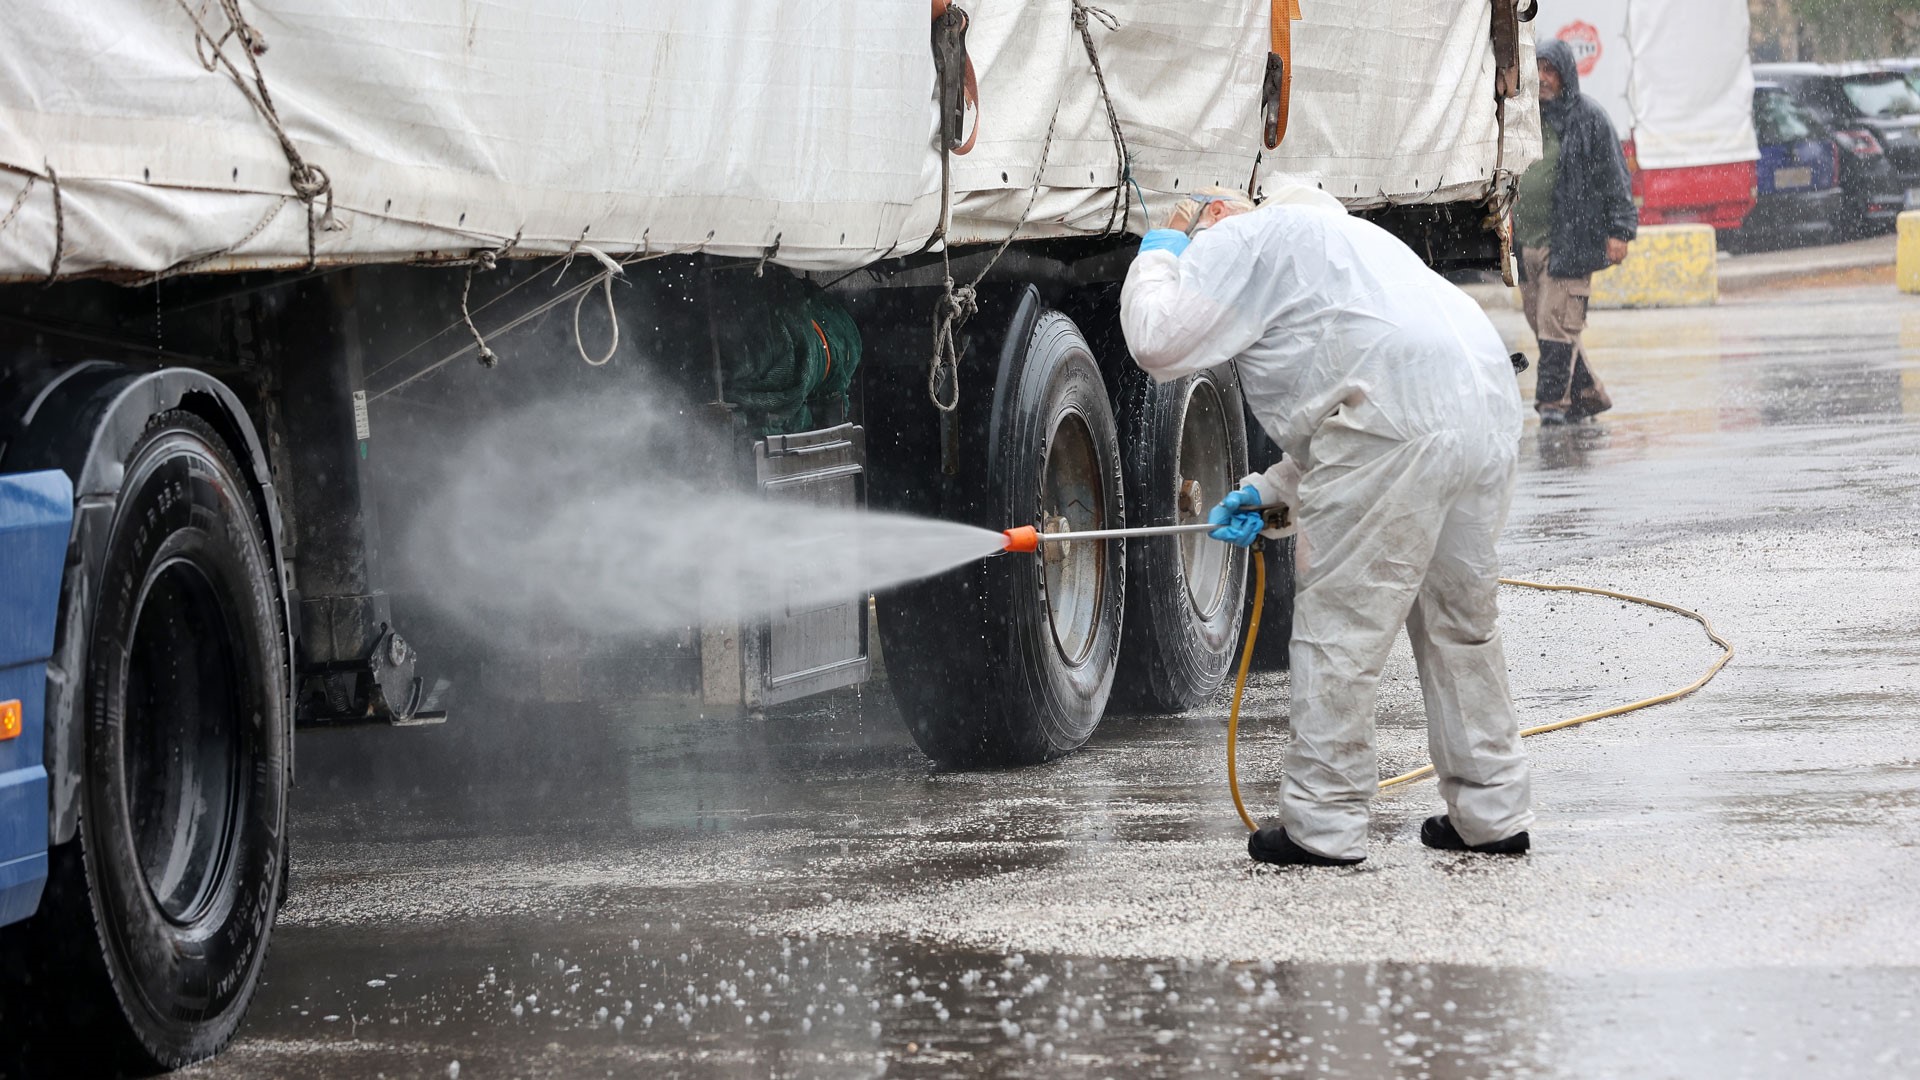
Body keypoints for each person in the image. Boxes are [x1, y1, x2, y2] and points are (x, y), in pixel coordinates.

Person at [1119, 183, 1532, 866]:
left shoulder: (1244, 235)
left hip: (1400, 424)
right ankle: (1493, 812)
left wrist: (1163, 246)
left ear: (1221, 214)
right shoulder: (1356, 246)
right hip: (1484, 407)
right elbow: (1366, 414)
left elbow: (1157, 342)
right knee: (1461, 624)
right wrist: (1268, 496)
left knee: (1341, 629)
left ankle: (1324, 825)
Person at [1513, 38, 1638, 425]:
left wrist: (1620, 231)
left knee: (1555, 324)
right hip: (1527, 242)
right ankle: (1585, 394)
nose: (1545, 79)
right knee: (1547, 324)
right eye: (1540, 70)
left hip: (1569, 241)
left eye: (1552, 70)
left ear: (1567, 74)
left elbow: (1615, 180)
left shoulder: (1590, 119)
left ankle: (1552, 407)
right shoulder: (1524, 117)